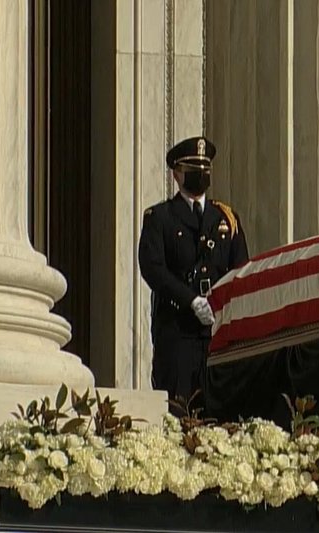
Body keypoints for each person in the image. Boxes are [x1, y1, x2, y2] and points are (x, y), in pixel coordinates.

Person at [139, 136, 249, 411]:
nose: (200, 175)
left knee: (219, 411)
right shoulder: (160, 218)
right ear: (177, 174)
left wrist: (222, 307)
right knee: (179, 411)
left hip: (217, 331)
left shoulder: (226, 218)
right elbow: (153, 268)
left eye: (205, 169)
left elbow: (241, 270)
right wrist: (191, 300)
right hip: (177, 332)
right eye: (192, 169)